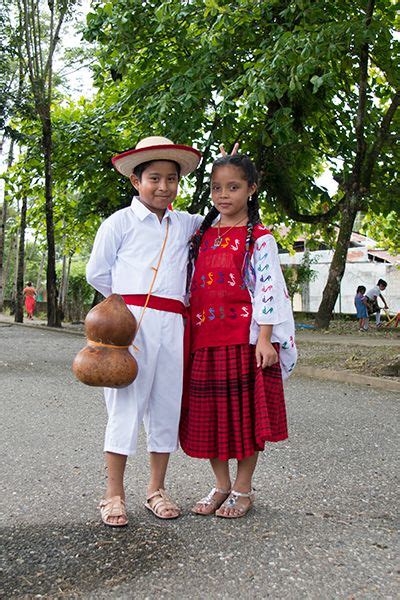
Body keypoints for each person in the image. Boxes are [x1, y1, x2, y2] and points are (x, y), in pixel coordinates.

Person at [86, 136, 203, 526]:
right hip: (128, 326)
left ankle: (156, 489)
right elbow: (97, 273)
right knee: (124, 404)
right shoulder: (118, 222)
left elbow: (227, 220)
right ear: (136, 181)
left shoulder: (188, 224)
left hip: (173, 324)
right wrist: (123, 312)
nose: (164, 186)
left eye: (172, 178)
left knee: (166, 403)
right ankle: (113, 493)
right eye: (154, 177)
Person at [180, 153, 297, 519]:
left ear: (251, 189)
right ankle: (221, 484)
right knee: (211, 416)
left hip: (244, 341)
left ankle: (243, 489)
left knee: (245, 420)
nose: (223, 195)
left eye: (233, 187)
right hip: (205, 340)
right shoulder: (201, 236)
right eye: (217, 187)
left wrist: (264, 339)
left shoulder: (260, 239)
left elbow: (268, 289)